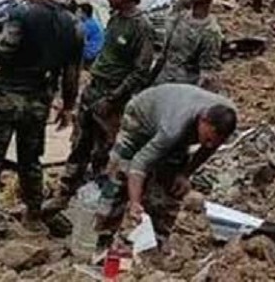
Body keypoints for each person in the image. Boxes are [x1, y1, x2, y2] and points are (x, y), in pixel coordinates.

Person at [0, 0, 83, 247]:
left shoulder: (22, 13)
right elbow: (72, 74)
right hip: (39, 101)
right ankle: (34, 215)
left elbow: (4, 51)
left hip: (7, 96)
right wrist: (68, 107)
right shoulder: (74, 25)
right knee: (30, 161)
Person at [49, 0, 155, 210]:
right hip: (94, 88)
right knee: (79, 145)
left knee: (103, 152)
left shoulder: (141, 26)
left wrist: (114, 98)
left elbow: (140, 71)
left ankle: (98, 203)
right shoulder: (115, 18)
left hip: (112, 97)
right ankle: (66, 193)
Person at [98, 84, 237, 250]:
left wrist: (185, 174)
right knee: (120, 175)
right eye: (207, 139)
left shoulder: (226, 116)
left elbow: (209, 147)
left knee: (171, 185)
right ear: (203, 120)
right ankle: (103, 238)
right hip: (141, 118)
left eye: (215, 142)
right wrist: (134, 202)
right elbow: (140, 163)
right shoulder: (172, 128)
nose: (209, 144)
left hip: (177, 120)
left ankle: (156, 242)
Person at [153, 0, 223, 91]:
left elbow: (207, 74)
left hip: (182, 89)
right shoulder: (182, 15)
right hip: (161, 81)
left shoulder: (210, 31)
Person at [77, 3, 105, 68]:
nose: (77, 14)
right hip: (98, 51)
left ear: (84, 13)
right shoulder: (95, 21)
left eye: (78, 12)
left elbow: (80, 40)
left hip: (90, 53)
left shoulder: (86, 25)